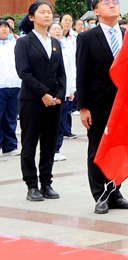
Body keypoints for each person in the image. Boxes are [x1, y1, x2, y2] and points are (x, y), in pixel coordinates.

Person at [75, 0, 128, 214]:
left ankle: (115, 192)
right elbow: (82, 74)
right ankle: (100, 194)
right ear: (96, 11)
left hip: (124, 103)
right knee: (97, 149)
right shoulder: (87, 38)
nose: (112, 6)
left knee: (118, 148)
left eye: (115, 2)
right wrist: (83, 107)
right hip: (98, 103)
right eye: (106, 3)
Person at [15, 1, 65, 202]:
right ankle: (31, 185)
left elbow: (61, 72)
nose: (47, 15)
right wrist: (43, 93)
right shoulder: (24, 43)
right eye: (42, 12)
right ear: (31, 17)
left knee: (49, 144)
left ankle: (46, 183)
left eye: (49, 12)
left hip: (54, 102)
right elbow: (24, 72)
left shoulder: (55, 42)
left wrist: (60, 94)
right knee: (29, 144)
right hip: (32, 101)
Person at [49, 23, 74, 161]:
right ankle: (49, 149)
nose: (58, 31)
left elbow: (71, 70)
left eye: (59, 29)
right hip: (49, 92)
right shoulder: (47, 45)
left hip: (64, 91)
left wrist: (71, 89)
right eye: (54, 29)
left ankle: (57, 149)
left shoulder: (66, 46)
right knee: (49, 124)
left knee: (61, 121)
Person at [0, 19, 20, 157]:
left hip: (14, 85)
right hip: (0, 86)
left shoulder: (15, 45)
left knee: (11, 118)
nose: (4, 29)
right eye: (1, 27)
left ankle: (10, 146)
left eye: (6, 27)